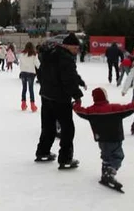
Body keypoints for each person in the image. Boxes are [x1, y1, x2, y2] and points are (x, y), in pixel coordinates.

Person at [74, 88, 134, 192]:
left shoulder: (91, 111)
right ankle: (109, 173)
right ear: (105, 97)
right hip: (114, 138)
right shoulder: (114, 108)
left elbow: (80, 111)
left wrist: (76, 105)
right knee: (117, 156)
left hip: (101, 139)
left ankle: (105, 171)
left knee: (106, 155)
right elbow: (127, 109)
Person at [34, 33, 85, 169]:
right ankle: (65, 158)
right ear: (68, 46)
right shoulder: (66, 58)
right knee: (67, 128)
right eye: (75, 48)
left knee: (48, 126)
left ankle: (43, 151)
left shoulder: (49, 54)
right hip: (60, 98)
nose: (77, 51)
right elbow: (68, 79)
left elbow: (41, 72)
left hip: (46, 95)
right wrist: (77, 95)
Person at [19, 42, 41, 112]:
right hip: (31, 73)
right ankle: (32, 105)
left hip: (23, 73)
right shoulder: (34, 55)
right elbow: (37, 64)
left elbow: (21, 64)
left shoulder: (21, 54)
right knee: (31, 89)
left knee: (24, 89)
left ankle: (23, 104)